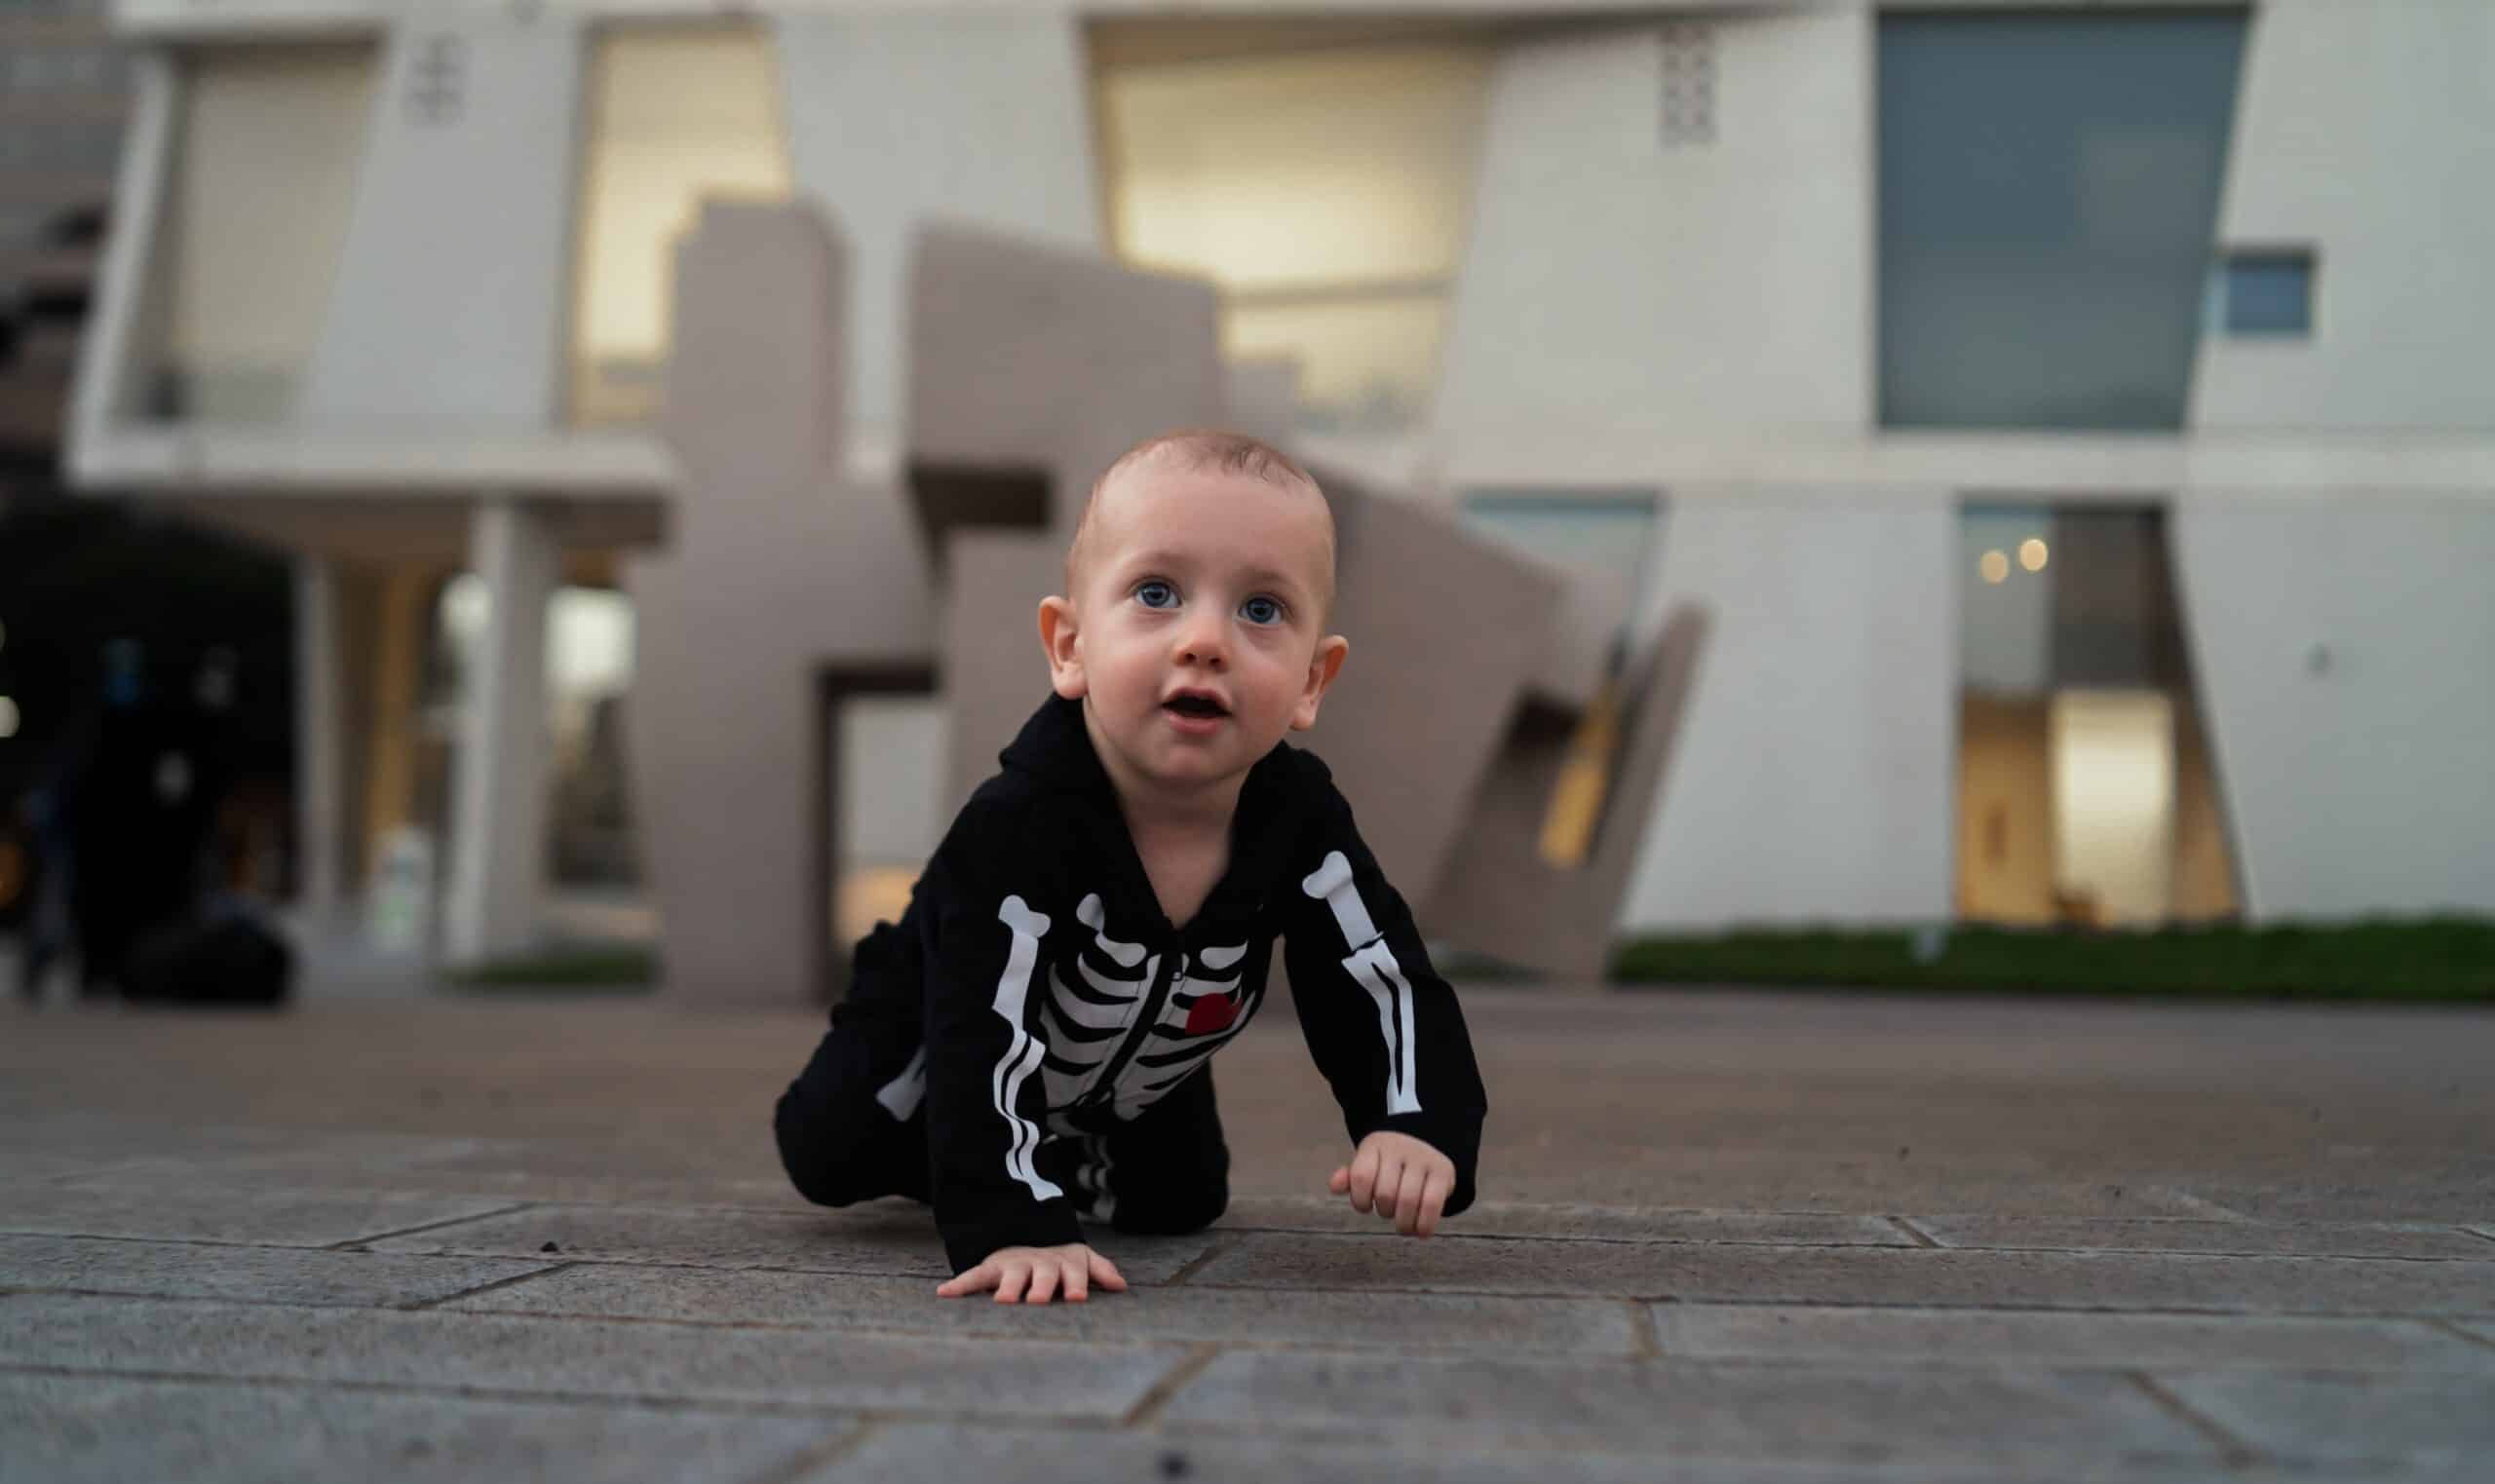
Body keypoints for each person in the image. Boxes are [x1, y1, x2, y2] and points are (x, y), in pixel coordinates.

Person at [774, 430, 1488, 1304]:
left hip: (1139, 1075)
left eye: (1261, 609)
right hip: (944, 1026)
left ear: (1312, 680)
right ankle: (986, 1158)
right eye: (1157, 593)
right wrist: (1014, 1222)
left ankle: (1057, 1149)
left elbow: (1377, 973)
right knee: (829, 1143)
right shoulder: (1018, 825)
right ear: (1069, 646)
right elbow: (983, 1029)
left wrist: (1414, 1119)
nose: (1204, 639)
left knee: (1183, 1201)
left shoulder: (1300, 821)